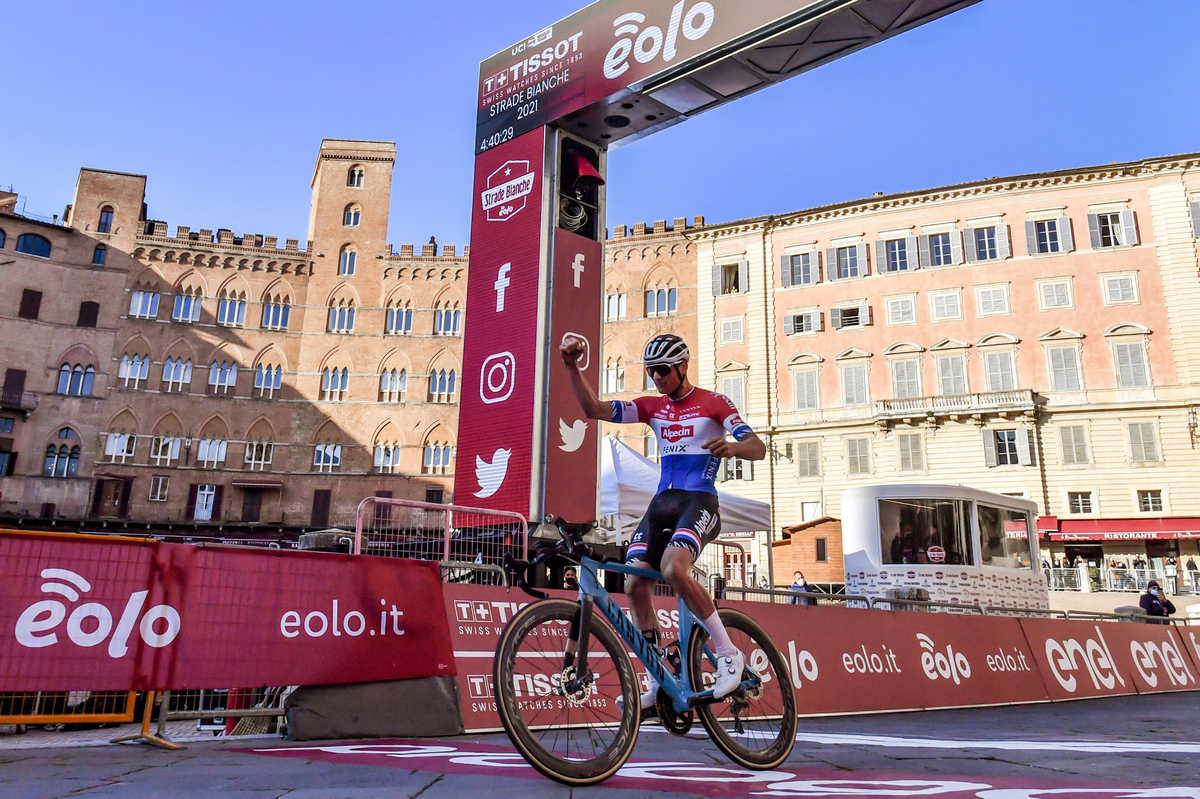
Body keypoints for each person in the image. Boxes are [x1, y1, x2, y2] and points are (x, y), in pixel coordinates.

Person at [560, 333, 765, 711]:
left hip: (699, 500)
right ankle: (658, 679)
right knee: (635, 582)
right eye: (652, 371)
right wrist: (571, 365)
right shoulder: (654, 407)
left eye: (664, 370)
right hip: (662, 505)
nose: (657, 377)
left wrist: (733, 447)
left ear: (683, 366)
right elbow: (594, 409)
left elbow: (758, 447)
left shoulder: (714, 402)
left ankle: (728, 653)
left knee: (673, 568)